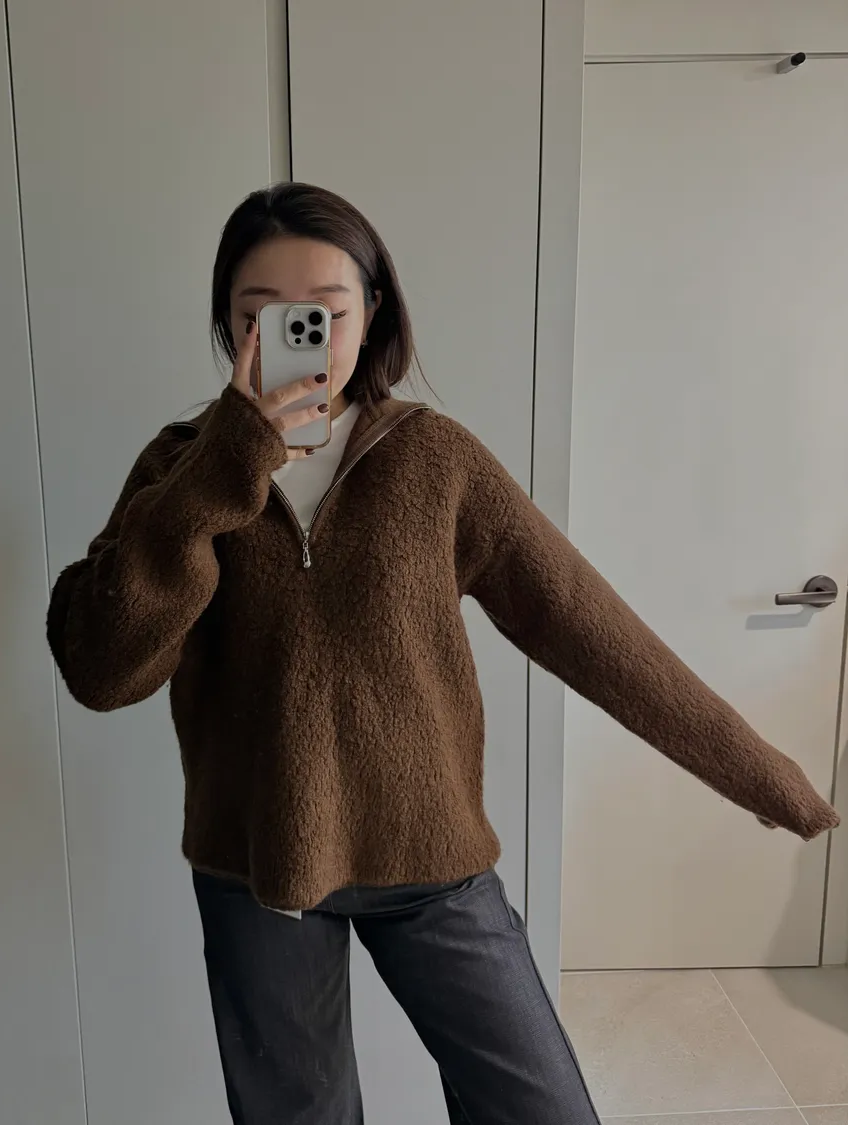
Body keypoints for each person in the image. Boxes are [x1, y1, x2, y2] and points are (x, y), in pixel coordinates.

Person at [47, 182, 839, 1125]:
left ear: (372, 310)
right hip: (257, 865)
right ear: (229, 321)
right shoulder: (179, 467)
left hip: (430, 860)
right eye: (261, 314)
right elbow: (101, 669)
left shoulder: (436, 460)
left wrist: (762, 775)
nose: (295, 336)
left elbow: (589, 626)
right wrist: (219, 473)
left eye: (323, 312)